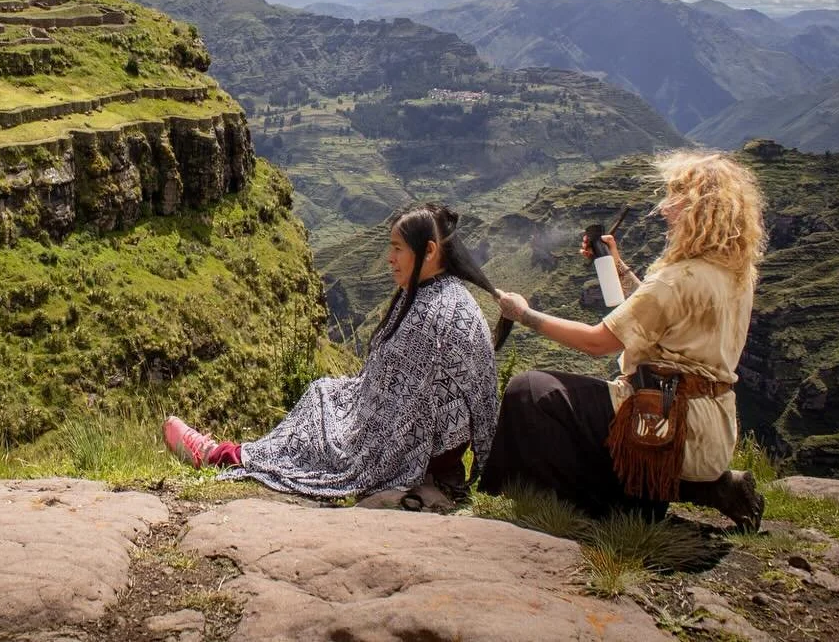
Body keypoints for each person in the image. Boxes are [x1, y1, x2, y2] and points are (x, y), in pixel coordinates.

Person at [480, 150, 767, 531]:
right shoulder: (734, 274)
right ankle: (702, 488)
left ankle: (605, 507)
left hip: (664, 426)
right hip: (708, 431)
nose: (665, 209)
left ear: (699, 209)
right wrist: (618, 268)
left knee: (530, 391)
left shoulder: (678, 279)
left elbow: (598, 343)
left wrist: (524, 314)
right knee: (584, 404)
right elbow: (661, 313)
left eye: (675, 198)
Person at [163, 203, 499, 501]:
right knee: (326, 393)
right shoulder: (449, 295)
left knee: (321, 415)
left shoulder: (429, 314)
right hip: (443, 453)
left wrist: (361, 436)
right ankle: (238, 453)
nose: (390, 258)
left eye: (397, 248)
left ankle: (222, 456)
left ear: (428, 251)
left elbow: (400, 417)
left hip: (423, 452)